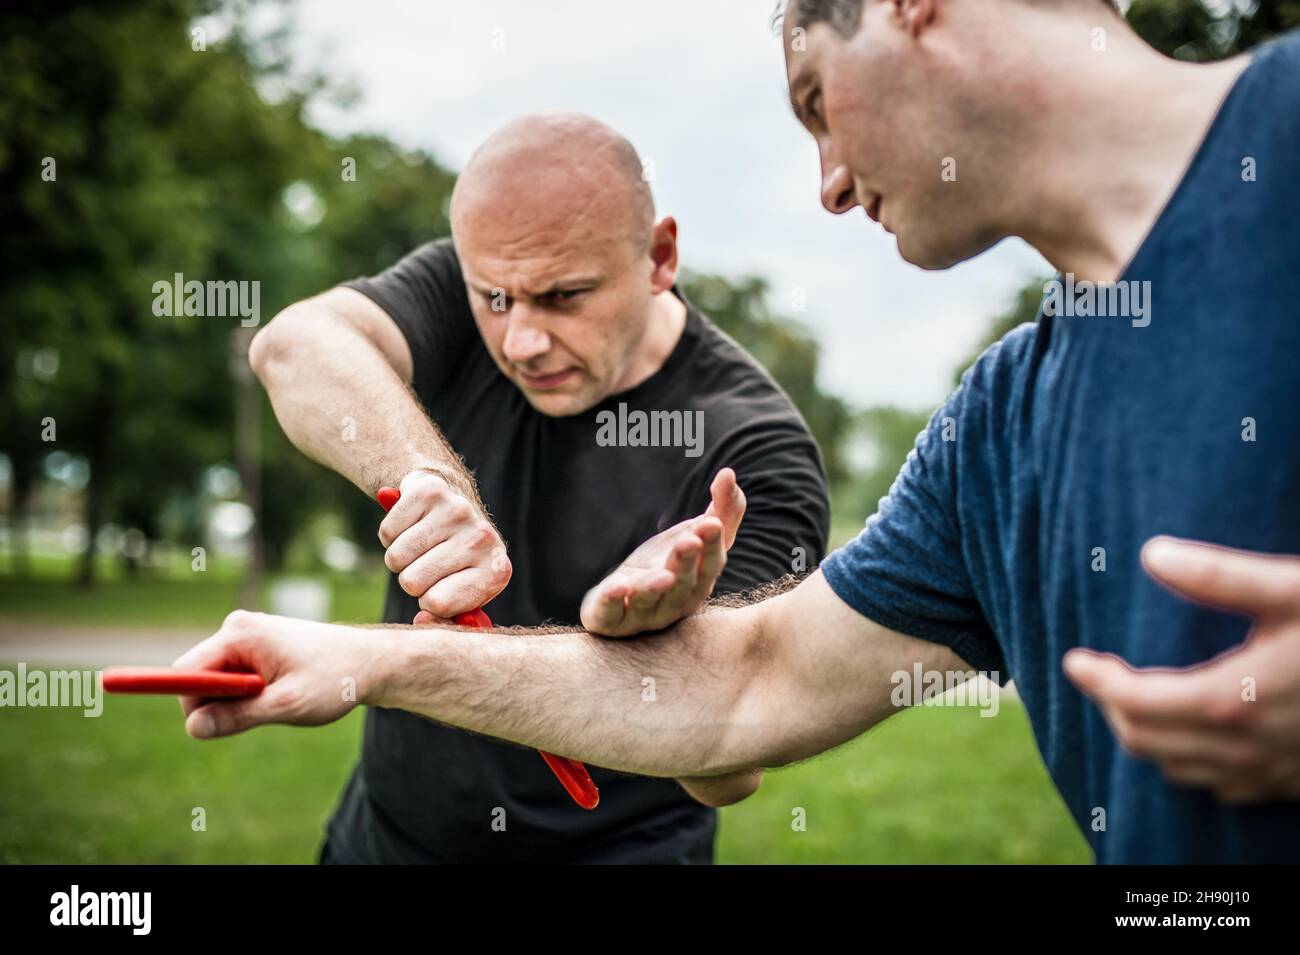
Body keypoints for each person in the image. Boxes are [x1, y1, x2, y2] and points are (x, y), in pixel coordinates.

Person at [184, 0, 1300, 862]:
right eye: (495, 303)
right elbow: (745, 689)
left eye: (816, 100)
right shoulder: (997, 431)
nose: (823, 186)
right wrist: (362, 658)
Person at [246, 112, 830, 863]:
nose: (521, 339)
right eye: (496, 298)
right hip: (384, 842)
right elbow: (293, 347)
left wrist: (662, 637)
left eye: (564, 297)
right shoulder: (479, 285)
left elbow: (730, 769)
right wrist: (431, 482)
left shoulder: (755, 449)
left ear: (659, 257)